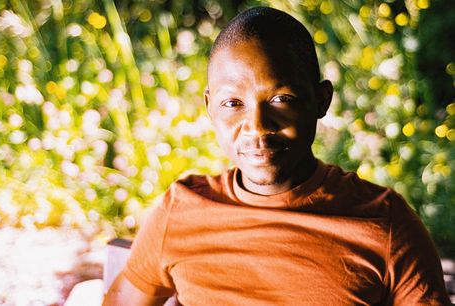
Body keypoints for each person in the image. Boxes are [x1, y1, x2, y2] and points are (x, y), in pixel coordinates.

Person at [103, 7, 450, 305]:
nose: (256, 126)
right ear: (210, 107)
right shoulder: (179, 212)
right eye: (233, 104)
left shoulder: (384, 225)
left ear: (320, 101)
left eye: (281, 99)